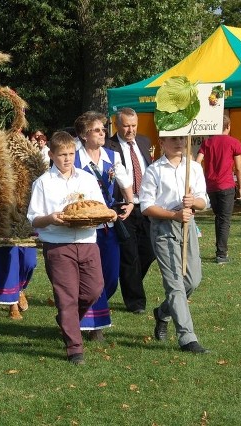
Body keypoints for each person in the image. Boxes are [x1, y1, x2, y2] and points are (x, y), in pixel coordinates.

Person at [27, 131, 115, 365]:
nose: (67, 159)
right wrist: (51, 219)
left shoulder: (86, 179)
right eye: (62, 154)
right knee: (66, 297)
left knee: (93, 290)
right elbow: (34, 219)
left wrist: (111, 214)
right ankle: (74, 348)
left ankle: (68, 321)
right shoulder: (43, 183)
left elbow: (98, 207)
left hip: (87, 241)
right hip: (58, 245)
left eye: (71, 154)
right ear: (51, 155)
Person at [141, 136, 210, 354]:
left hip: (188, 224)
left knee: (192, 280)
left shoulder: (194, 168)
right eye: (173, 139)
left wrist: (194, 203)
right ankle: (187, 338)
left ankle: (163, 312)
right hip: (163, 227)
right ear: (162, 142)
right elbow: (146, 206)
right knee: (175, 284)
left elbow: (204, 201)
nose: (179, 142)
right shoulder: (154, 170)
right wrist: (174, 214)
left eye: (182, 138)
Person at [73, 111, 133, 341]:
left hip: (108, 224)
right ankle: (93, 323)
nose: (103, 133)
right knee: (89, 275)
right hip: (84, 226)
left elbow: (124, 181)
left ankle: (83, 311)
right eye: (97, 130)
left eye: (102, 129)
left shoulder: (111, 156)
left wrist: (129, 203)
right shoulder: (74, 158)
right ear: (83, 135)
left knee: (110, 276)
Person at [103, 107, 154, 313]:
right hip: (123, 206)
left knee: (149, 252)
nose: (130, 130)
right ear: (117, 124)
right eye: (126, 126)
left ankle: (129, 279)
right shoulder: (108, 146)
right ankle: (136, 302)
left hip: (146, 205)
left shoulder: (144, 141)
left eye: (134, 125)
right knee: (129, 254)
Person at [196, 115, 241, 264]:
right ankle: (221, 254)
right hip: (226, 185)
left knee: (219, 218)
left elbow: (197, 162)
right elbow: (238, 168)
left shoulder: (207, 142)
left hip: (211, 186)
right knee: (224, 220)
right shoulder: (234, 142)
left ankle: (220, 249)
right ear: (228, 126)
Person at [0, 246, 37, 319]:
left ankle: (19, 290)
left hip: (26, 235)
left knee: (29, 262)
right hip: (6, 236)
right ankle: (13, 306)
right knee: (10, 263)